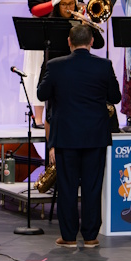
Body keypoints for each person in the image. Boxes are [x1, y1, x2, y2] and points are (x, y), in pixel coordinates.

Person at [37, 24, 121, 248]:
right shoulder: (104, 65)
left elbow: (41, 93)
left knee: (67, 187)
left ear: (68, 42)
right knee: (93, 187)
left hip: (66, 136)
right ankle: (91, 236)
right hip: (95, 136)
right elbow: (115, 96)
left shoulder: (55, 66)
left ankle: (69, 237)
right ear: (92, 42)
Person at [23, 0, 82, 129]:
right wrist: (54, 1)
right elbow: (35, 9)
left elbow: (79, 4)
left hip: (63, 36)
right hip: (43, 36)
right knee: (39, 74)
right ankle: (38, 119)